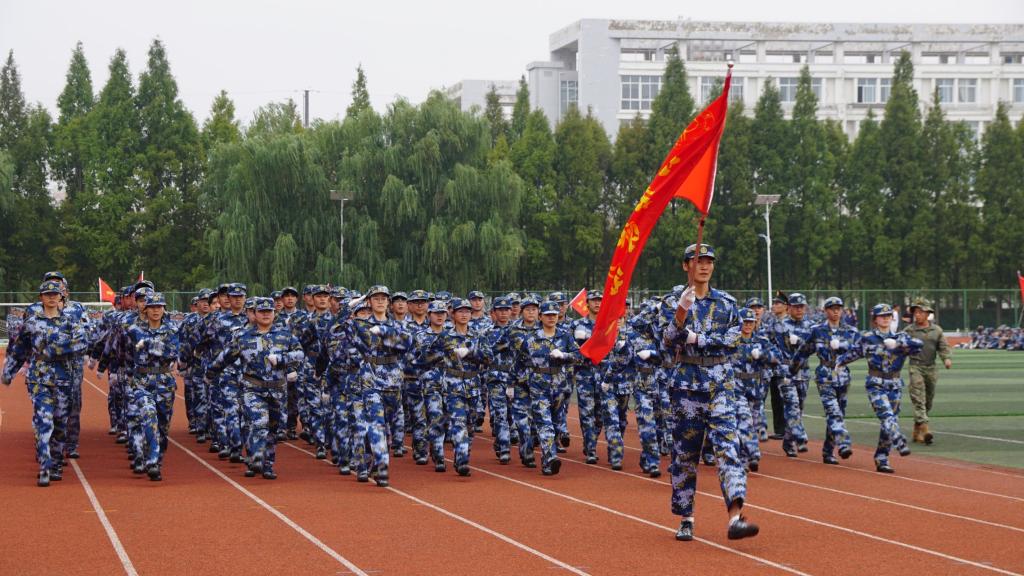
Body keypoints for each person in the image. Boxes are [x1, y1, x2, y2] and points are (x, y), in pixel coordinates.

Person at [661, 243, 758, 542]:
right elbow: (668, 339)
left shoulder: (727, 303)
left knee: (729, 449)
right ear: (685, 265)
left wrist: (697, 339)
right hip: (687, 386)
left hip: (720, 385)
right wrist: (681, 311)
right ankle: (686, 517)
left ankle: (735, 517)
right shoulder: (672, 300)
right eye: (697, 260)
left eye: (708, 261)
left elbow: (734, 339)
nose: (704, 266)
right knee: (685, 455)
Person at [2, 280, 90, 487]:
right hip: (39, 379)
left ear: (61, 297)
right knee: (44, 421)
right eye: (47, 294)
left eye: (55, 294)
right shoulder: (32, 323)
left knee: (60, 423)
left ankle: (56, 462)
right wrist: (9, 372)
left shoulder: (70, 322)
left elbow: (82, 344)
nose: (51, 297)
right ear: (41, 297)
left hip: (64, 379)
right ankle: (44, 465)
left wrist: (55, 349)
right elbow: (20, 349)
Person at [212, 297, 304, 479]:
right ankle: (255, 457)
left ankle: (267, 464)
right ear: (254, 314)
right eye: (261, 312)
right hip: (253, 388)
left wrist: (283, 360)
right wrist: (210, 373)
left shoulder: (285, 335)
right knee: (258, 423)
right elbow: (225, 357)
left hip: (277, 390)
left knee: (273, 429)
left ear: (274, 314)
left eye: (269, 311)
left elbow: (300, 354)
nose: (265, 315)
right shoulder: (243, 337)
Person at [836, 304, 923, 473]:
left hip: (895, 383)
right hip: (875, 383)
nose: (885, 319)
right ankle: (899, 440)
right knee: (886, 415)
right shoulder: (868, 337)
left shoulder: (901, 336)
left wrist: (898, 344)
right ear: (875, 319)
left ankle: (882, 458)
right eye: (881, 316)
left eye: (888, 316)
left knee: (889, 422)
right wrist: (839, 363)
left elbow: (919, 345)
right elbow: (854, 353)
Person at [512, 301, 579, 476]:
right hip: (538, 386)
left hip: (560, 386)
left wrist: (564, 355)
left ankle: (542, 456)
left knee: (556, 424)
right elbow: (520, 362)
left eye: (554, 315)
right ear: (540, 317)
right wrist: (515, 385)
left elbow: (580, 356)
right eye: (547, 315)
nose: (551, 318)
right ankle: (550, 458)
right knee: (544, 423)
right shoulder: (531, 338)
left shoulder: (565, 336)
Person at [795, 297, 860, 464]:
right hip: (824, 374)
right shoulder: (818, 331)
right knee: (833, 411)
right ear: (826, 311)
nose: (836, 311)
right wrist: (792, 370)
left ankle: (828, 451)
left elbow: (859, 351)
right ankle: (844, 443)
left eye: (839, 308)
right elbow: (804, 351)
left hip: (842, 375)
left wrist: (844, 348)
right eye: (832, 308)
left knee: (839, 413)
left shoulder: (850, 331)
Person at [125, 293, 180, 481]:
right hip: (142, 381)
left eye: (159, 307)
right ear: (145, 309)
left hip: (164, 381)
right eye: (152, 307)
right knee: (149, 417)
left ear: (164, 309)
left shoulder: (172, 330)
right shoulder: (134, 330)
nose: (156, 310)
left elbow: (171, 352)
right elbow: (126, 353)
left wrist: (148, 343)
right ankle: (152, 460)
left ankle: (156, 457)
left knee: (163, 426)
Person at [902, 298, 952, 445]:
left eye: (921, 312)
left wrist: (946, 359)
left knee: (928, 401)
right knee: (918, 398)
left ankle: (916, 430)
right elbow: (900, 347)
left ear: (928, 314)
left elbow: (943, 347)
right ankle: (925, 430)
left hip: (931, 368)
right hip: (915, 367)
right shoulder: (909, 331)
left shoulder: (936, 330)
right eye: (915, 312)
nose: (917, 315)